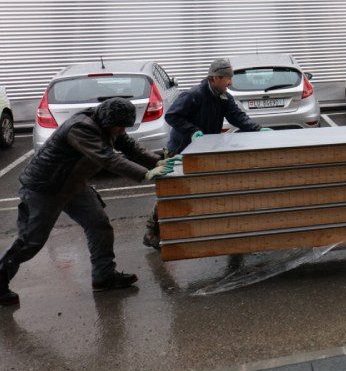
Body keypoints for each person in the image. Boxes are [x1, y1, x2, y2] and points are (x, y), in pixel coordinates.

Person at [0, 98, 174, 306]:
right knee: (30, 241)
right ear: (109, 121)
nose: (121, 130)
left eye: (124, 127)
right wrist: (145, 174)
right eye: (119, 127)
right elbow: (108, 158)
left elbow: (130, 147)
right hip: (45, 188)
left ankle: (104, 277)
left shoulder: (108, 124)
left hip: (73, 184)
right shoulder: (81, 128)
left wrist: (157, 161)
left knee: (98, 224)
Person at [142, 58, 271, 248]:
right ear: (214, 78)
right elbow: (172, 116)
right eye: (227, 78)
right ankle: (151, 231)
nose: (230, 82)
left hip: (205, 149)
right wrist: (192, 130)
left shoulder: (223, 96)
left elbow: (238, 117)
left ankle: (222, 229)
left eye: (230, 78)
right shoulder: (194, 95)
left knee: (212, 186)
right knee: (173, 190)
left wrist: (257, 129)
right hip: (182, 148)